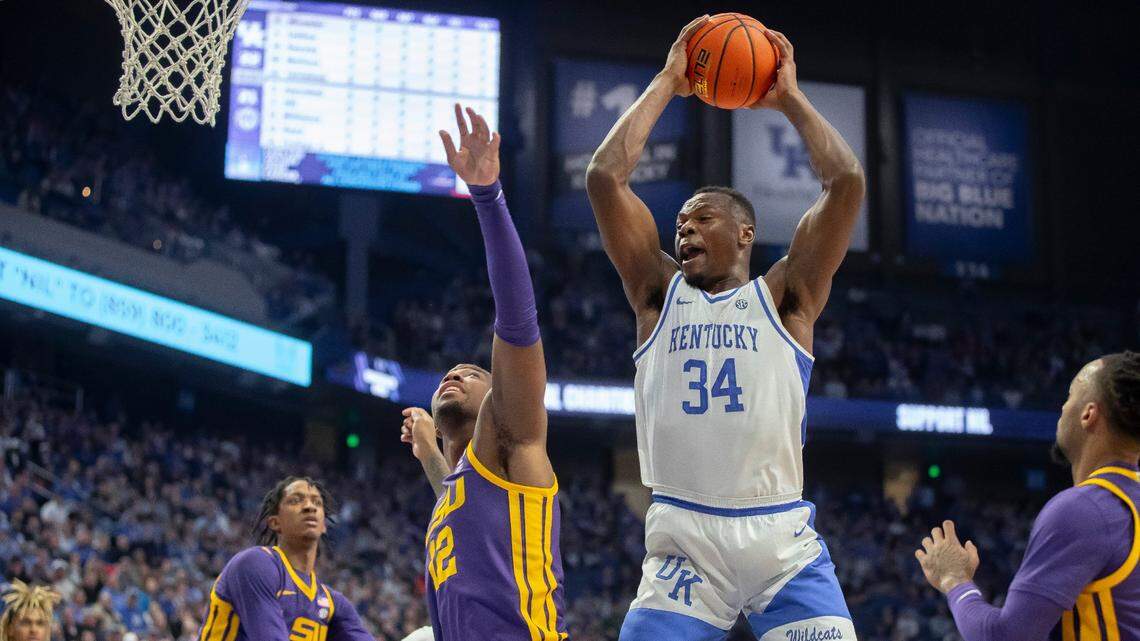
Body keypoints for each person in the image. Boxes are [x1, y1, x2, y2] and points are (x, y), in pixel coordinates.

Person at [585, 15, 865, 641]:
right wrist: (668, 80)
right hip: (684, 543)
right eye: (679, 221)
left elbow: (845, 183)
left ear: (745, 233)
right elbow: (605, 177)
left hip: (780, 542)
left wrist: (788, 97)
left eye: (701, 218)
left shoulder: (787, 297)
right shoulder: (657, 294)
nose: (683, 228)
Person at [399, 103, 567, 641]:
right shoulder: (460, 488)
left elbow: (517, 322)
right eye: (450, 372)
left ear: (499, 400)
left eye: (472, 372)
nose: (455, 373)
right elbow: (455, 496)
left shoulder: (514, 440)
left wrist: (488, 197)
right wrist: (429, 452)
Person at [916, 352, 1140, 641]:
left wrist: (954, 580)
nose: (1063, 406)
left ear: (1088, 414)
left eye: (1070, 395)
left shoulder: (1084, 510)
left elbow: (1007, 637)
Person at [197, 477, 374, 641]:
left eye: (317, 502)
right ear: (275, 522)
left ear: (323, 525)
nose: (310, 507)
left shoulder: (334, 603)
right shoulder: (254, 564)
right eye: (296, 501)